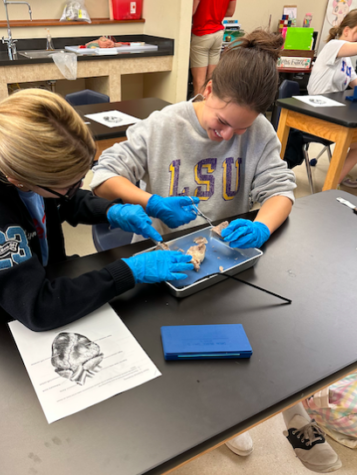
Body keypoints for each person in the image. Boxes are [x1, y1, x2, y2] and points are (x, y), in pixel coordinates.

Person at [90, 30, 341, 471]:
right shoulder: (163, 125)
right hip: (165, 260)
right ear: (207, 90)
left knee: (270, 326)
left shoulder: (257, 131)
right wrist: (150, 201)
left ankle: (291, 410)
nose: (227, 136)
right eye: (221, 122)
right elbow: (103, 174)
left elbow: (281, 188)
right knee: (189, 349)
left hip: (226, 254)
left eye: (239, 129)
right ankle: (226, 414)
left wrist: (262, 226)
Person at [0, 88, 195, 331]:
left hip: (42, 277)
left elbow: (62, 199)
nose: (78, 189)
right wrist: (128, 271)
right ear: (20, 179)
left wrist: (112, 211)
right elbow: (37, 307)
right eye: (71, 185)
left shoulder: (19, 166)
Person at [307, 9, 357, 188]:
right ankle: (332, 183)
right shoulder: (333, 46)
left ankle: (335, 178)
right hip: (316, 112)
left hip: (335, 112)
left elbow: (355, 83)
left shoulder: (347, 61)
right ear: (346, 30)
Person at [190, 0, 236, 97]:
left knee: (199, 83)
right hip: (218, 34)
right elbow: (230, 12)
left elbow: (191, 11)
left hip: (202, 34)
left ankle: (199, 111)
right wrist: (215, 15)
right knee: (210, 82)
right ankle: (209, 110)